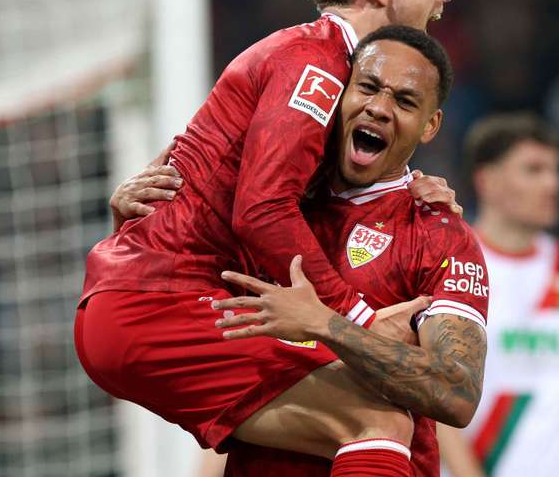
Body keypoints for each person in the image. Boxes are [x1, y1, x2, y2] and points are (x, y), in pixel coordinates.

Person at [110, 26, 488, 476]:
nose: (379, 108)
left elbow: (456, 393)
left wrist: (325, 324)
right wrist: (135, 224)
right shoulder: (264, 211)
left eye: (405, 102)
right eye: (367, 87)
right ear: (340, 95)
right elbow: (194, 305)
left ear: (430, 125)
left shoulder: (437, 234)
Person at [437, 113, 559, 477]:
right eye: (534, 170)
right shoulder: (451, 262)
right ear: (488, 181)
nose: (554, 184)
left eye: (555, 170)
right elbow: (434, 397)